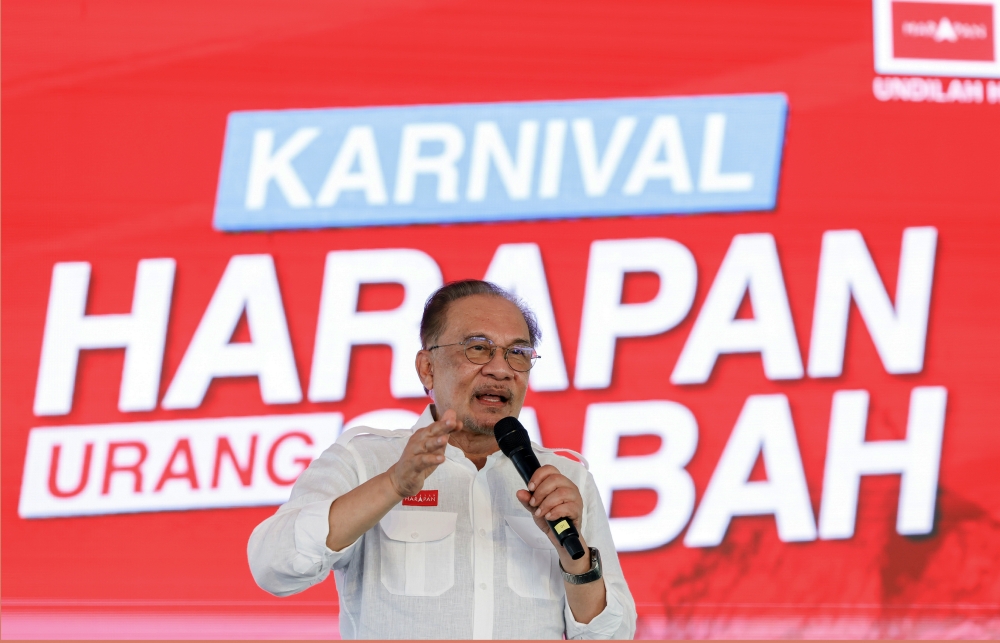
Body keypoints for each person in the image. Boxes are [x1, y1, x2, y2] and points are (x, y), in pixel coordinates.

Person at [248, 280, 636, 639]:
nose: (501, 369)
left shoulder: (565, 479)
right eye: (478, 348)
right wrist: (392, 485)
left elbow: (613, 635)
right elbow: (273, 567)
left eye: (517, 353)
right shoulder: (366, 459)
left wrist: (577, 561)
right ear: (427, 367)